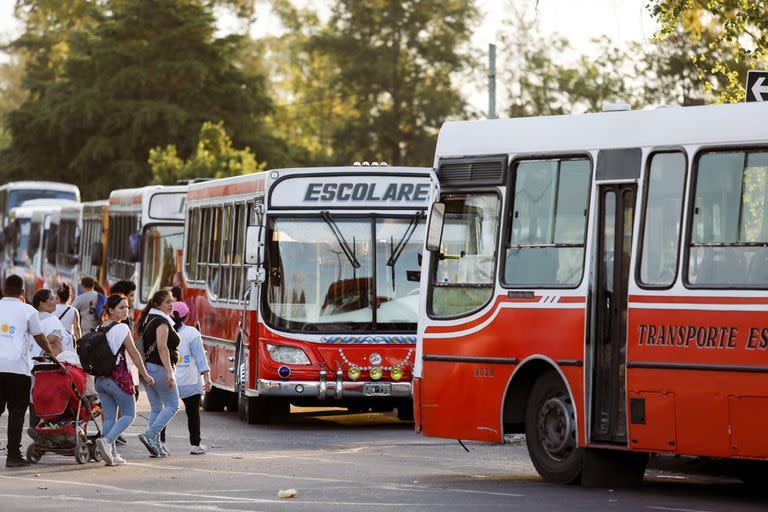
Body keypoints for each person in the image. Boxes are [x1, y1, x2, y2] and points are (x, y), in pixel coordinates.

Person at [0, 275, 57, 467]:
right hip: (17, 370)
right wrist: (51, 354)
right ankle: (13, 456)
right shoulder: (28, 310)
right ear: (23, 292)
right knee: (16, 413)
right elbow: (39, 336)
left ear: (3, 289)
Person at [94, 294, 154, 466]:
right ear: (111, 310)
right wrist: (146, 375)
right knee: (129, 414)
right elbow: (134, 354)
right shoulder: (122, 328)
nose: (126, 310)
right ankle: (106, 442)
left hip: (101, 380)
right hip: (118, 379)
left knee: (109, 418)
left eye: (127, 307)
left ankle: (112, 455)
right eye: (121, 307)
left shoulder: (100, 327)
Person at [137, 289, 180, 457]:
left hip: (148, 368)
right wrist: (170, 371)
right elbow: (162, 347)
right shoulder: (161, 321)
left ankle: (154, 444)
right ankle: (150, 435)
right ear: (157, 304)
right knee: (173, 405)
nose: (171, 305)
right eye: (167, 302)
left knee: (157, 407)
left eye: (172, 301)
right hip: (159, 368)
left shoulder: (150, 318)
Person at [170, 301, 211, 454]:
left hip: (170, 380)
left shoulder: (165, 330)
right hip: (190, 382)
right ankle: (195, 445)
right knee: (192, 414)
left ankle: (160, 442)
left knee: (164, 412)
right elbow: (200, 358)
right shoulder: (192, 333)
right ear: (187, 316)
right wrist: (207, 378)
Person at [29, 289, 65, 428]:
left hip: (30, 364)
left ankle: (33, 427)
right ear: (41, 303)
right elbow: (55, 342)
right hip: (47, 366)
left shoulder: (31, 317)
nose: (55, 301)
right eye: (51, 299)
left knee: (34, 398)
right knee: (48, 399)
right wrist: (60, 363)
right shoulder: (53, 320)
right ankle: (48, 429)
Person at [54, 283, 80, 349]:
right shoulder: (73, 310)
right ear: (69, 296)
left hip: (55, 340)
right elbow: (76, 330)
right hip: (68, 341)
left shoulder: (52, 309)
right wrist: (80, 344)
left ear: (57, 296)